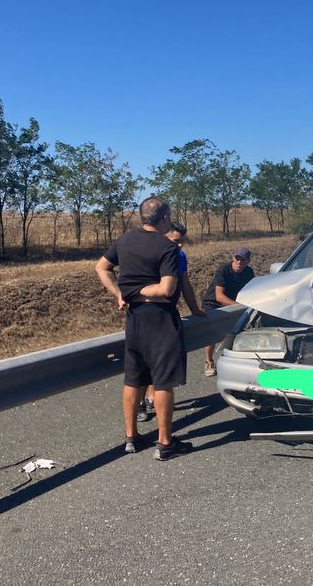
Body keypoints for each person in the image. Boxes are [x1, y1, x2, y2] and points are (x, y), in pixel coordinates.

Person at [94, 196, 193, 461]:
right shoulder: (167, 248)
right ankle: (165, 442)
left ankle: (131, 437)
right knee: (162, 381)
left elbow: (101, 267)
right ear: (165, 218)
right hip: (160, 320)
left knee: (134, 377)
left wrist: (120, 293)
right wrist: (138, 292)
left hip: (135, 319)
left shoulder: (125, 240)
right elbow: (167, 290)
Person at [137, 221, 205, 423]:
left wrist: (194, 309)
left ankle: (152, 399)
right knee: (144, 364)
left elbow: (185, 284)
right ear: (163, 238)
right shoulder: (150, 255)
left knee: (161, 364)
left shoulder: (180, 256)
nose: (180, 245)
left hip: (168, 313)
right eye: (176, 241)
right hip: (146, 314)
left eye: (182, 241)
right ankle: (142, 404)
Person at [201, 247, 255, 376]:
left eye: (243, 260)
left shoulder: (248, 272)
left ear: (248, 261)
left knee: (244, 328)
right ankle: (209, 361)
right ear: (233, 258)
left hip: (234, 302)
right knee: (211, 333)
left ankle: (237, 361)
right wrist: (240, 306)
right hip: (213, 303)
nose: (239, 262)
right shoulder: (224, 269)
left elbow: (251, 291)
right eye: (237, 258)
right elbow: (219, 296)